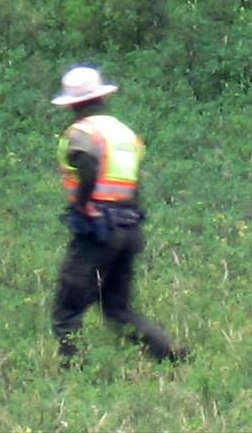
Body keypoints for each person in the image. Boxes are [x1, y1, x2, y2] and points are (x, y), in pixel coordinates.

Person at [50, 65, 186, 367]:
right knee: (117, 310)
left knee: (67, 311)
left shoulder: (82, 132)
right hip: (128, 225)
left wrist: (83, 204)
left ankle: (74, 373)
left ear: (72, 104)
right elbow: (132, 183)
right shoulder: (124, 134)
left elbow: (87, 161)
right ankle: (170, 355)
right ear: (102, 97)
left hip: (97, 229)